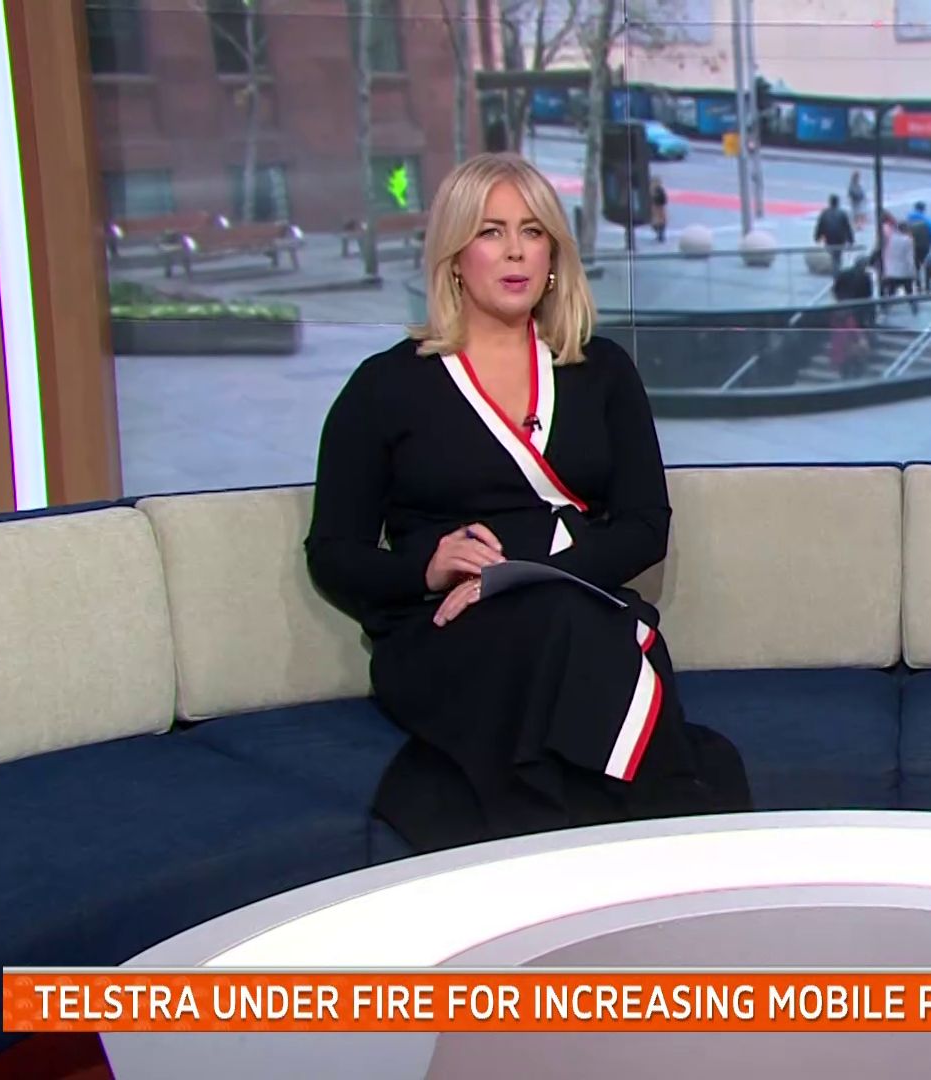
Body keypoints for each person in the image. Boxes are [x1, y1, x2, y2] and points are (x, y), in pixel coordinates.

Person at [305, 152, 752, 854]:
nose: (515, 250)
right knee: (589, 638)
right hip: (444, 629)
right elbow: (333, 552)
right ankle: (664, 827)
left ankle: (572, 853)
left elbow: (645, 526)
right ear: (456, 257)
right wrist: (425, 570)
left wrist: (528, 572)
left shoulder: (602, 371)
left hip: (578, 609)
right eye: (491, 232)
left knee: (572, 620)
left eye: (532, 231)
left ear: (552, 256)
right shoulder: (385, 387)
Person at [876, 213, 919, 316]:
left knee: (891, 292)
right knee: (909, 292)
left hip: (891, 271)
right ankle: (914, 309)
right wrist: (913, 271)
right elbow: (909, 258)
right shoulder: (908, 240)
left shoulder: (890, 238)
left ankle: (884, 310)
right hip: (904, 272)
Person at [814, 194, 855, 271]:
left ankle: (835, 268)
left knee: (833, 254)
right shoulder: (842, 213)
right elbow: (847, 227)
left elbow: (820, 226)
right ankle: (836, 269)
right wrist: (851, 240)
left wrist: (817, 237)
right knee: (837, 255)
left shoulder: (825, 213)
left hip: (829, 238)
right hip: (840, 239)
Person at [648, 178, 669, 243]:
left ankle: (660, 233)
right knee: (656, 220)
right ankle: (659, 232)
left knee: (659, 219)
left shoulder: (660, 191)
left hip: (658, 207)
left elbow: (664, 200)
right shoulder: (651, 190)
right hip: (655, 207)